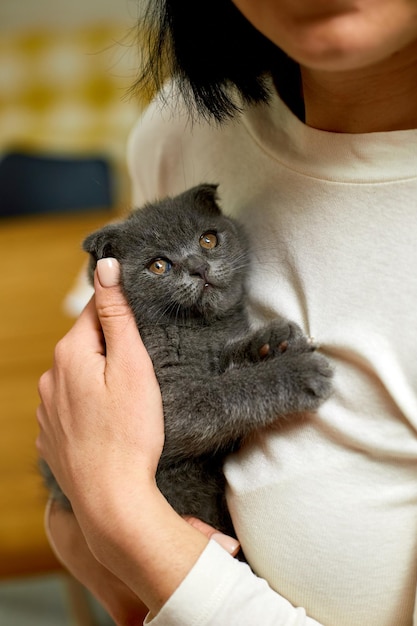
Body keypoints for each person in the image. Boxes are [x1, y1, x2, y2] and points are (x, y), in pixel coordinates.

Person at [36, 1, 417, 624]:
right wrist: (85, 530)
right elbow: (77, 423)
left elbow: (104, 477)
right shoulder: (188, 120)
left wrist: (131, 534)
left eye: (208, 243)